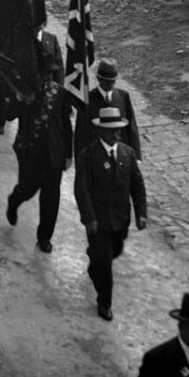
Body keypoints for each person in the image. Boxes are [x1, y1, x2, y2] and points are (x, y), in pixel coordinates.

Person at [74, 106, 148, 321]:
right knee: (105, 265)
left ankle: (94, 261)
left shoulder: (127, 153)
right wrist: (89, 218)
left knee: (114, 252)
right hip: (98, 222)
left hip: (120, 220)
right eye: (111, 130)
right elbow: (81, 189)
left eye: (118, 129)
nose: (116, 133)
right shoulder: (88, 155)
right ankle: (104, 301)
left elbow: (137, 185)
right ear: (101, 132)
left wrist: (141, 213)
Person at [5, 48, 73, 254]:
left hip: (53, 154)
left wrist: (68, 154)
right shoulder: (26, 92)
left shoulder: (61, 94)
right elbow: (8, 115)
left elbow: (66, 126)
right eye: (41, 74)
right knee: (27, 188)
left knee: (51, 198)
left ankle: (45, 237)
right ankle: (14, 201)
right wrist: (19, 99)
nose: (45, 79)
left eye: (48, 75)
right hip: (30, 152)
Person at [74, 58, 141, 159]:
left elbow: (131, 128)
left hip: (120, 155)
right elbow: (80, 133)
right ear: (98, 79)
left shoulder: (123, 96)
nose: (109, 85)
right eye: (105, 81)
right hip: (96, 157)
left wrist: (136, 156)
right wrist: (81, 161)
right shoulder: (88, 100)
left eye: (112, 82)